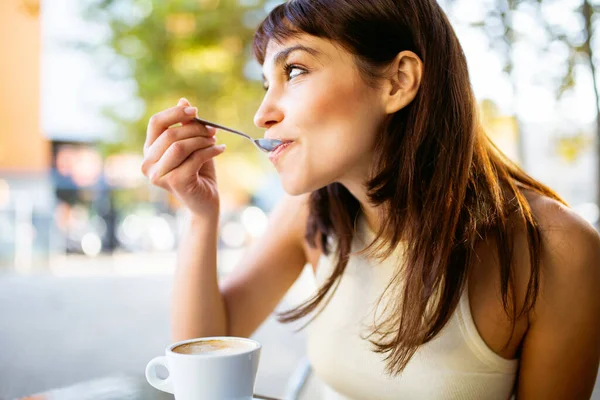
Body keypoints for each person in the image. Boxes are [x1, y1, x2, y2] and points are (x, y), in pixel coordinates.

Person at [140, 0, 600, 398]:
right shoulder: (310, 212)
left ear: (398, 81)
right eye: (266, 84)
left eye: (294, 71)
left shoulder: (558, 249)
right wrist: (202, 216)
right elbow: (203, 355)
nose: (263, 113)